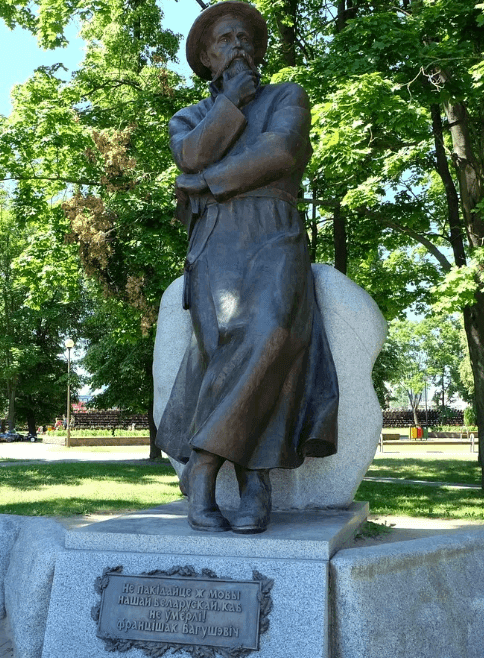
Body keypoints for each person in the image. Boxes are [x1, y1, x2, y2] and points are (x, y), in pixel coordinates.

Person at [156, 1, 339, 534]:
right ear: (207, 60)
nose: (236, 44)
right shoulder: (189, 117)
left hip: (274, 233)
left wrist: (210, 183)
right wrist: (230, 106)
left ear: (257, 50)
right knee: (226, 348)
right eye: (223, 40)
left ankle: (204, 467)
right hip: (214, 244)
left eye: (243, 37)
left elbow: (281, 150)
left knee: (273, 334)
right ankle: (255, 482)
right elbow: (191, 154)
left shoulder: (287, 96)